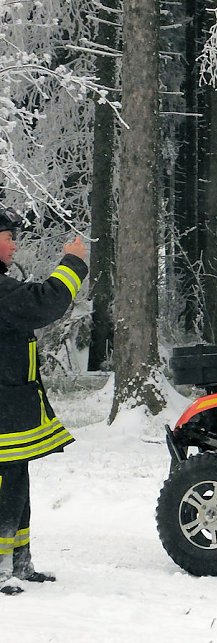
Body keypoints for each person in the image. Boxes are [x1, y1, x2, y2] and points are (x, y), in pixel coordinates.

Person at [0, 208, 88, 595]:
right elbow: (42, 303)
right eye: (8, 236)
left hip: (11, 404)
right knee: (6, 484)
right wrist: (73, 262)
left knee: (15, 480)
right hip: (4, 407)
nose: (15, 243)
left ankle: (19, 562)